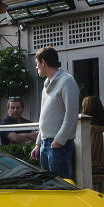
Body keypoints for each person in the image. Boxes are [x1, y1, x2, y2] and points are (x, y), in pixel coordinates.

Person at [30, 46, 79, 179]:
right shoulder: (46, 84)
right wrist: (38, 144)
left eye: (37, 64)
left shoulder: (67, 81)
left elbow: (71, 115)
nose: (36, 67)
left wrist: (59, 141)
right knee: (48, 187)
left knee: (62, 187)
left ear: (43, 62)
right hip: (46, 144)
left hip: (59, 145)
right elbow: (44, 118)